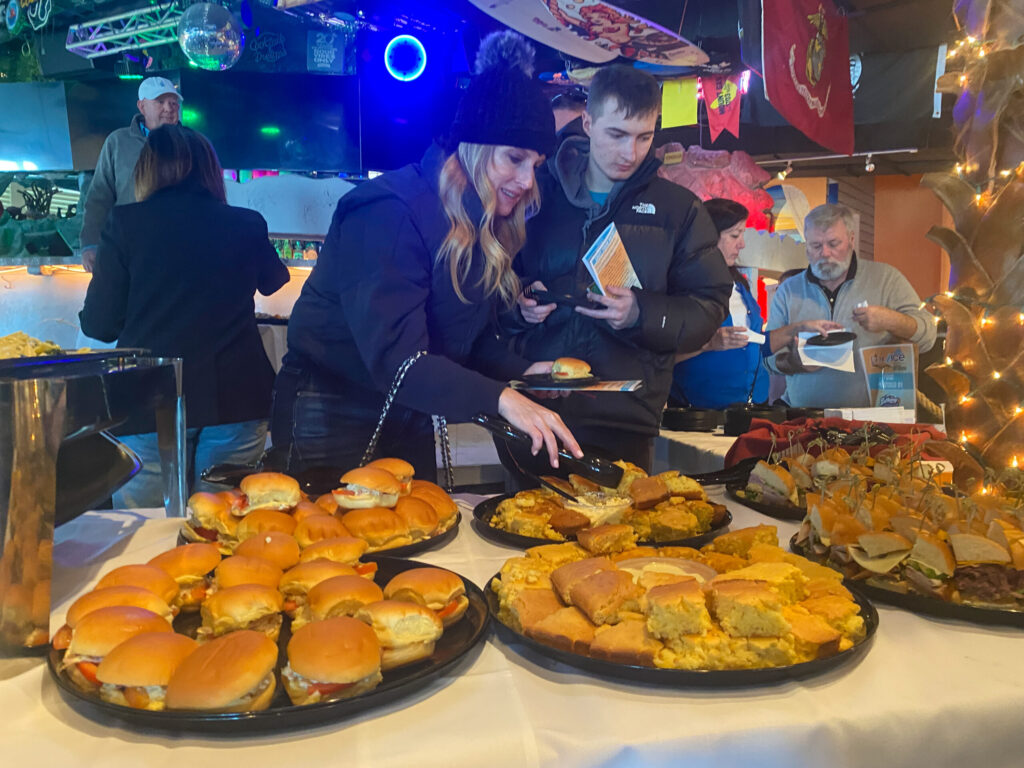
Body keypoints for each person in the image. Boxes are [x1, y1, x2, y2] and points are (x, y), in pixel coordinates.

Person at [268, 32, 582, 482]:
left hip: (409, 406)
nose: (527, 180)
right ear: (472, 149)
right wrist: (502, 398)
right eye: (514, 158)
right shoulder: (389, 210)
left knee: (418, 538)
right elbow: (397, 359)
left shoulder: (482, 221)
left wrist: (522, 371)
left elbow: (459, 340)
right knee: (331, 545)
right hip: (330, 408)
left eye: (535, 163)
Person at [502, 64, 732, 471]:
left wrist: (643, 313)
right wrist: (518, 306)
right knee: (522, 531)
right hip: (531, 412)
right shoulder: (533, 194)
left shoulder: (679, 209)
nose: (631, 153)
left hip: (625, 421)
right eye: (617, 134)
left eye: (645, 137)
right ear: (588, 123)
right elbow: (485, 287)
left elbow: (709, 306)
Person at [79, 125, 289, 507]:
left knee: (147, 536)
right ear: (210, 171)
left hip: (148, 402)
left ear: (146, 171)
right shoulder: (245, 223)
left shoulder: (125, 223)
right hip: (235, 398)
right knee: (223, 529)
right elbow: (275, 281)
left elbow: (100, 324)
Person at [764, 203, 937, 408]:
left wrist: (891, 320)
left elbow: (928, 337)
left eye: (834, 243)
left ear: (851, 240)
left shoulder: (886, 279)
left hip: (871, 424)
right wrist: (796, 361)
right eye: (816, 246)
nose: (825, 253)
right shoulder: (788, 290)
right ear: (806, 245)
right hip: (805, 420)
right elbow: (768, 359)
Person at [671, 198, 769, 408]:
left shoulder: (740, 285)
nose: (741, 244)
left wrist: (795, 330)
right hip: (698, 411)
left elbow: (756, 341)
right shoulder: (679, 285)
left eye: (742, 235)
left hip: (752, 406)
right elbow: (657, 358)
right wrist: (708, 344)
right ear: (709, 236)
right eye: (735, 235)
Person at [79, 76, 182, 273]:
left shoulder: (191, 144)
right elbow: (99, 197)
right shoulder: (117, 142)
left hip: (178, 249)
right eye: (160, 102)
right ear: (142, 106)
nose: (169, 109)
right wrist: (90, 244)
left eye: (173, 102)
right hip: (128, 250)